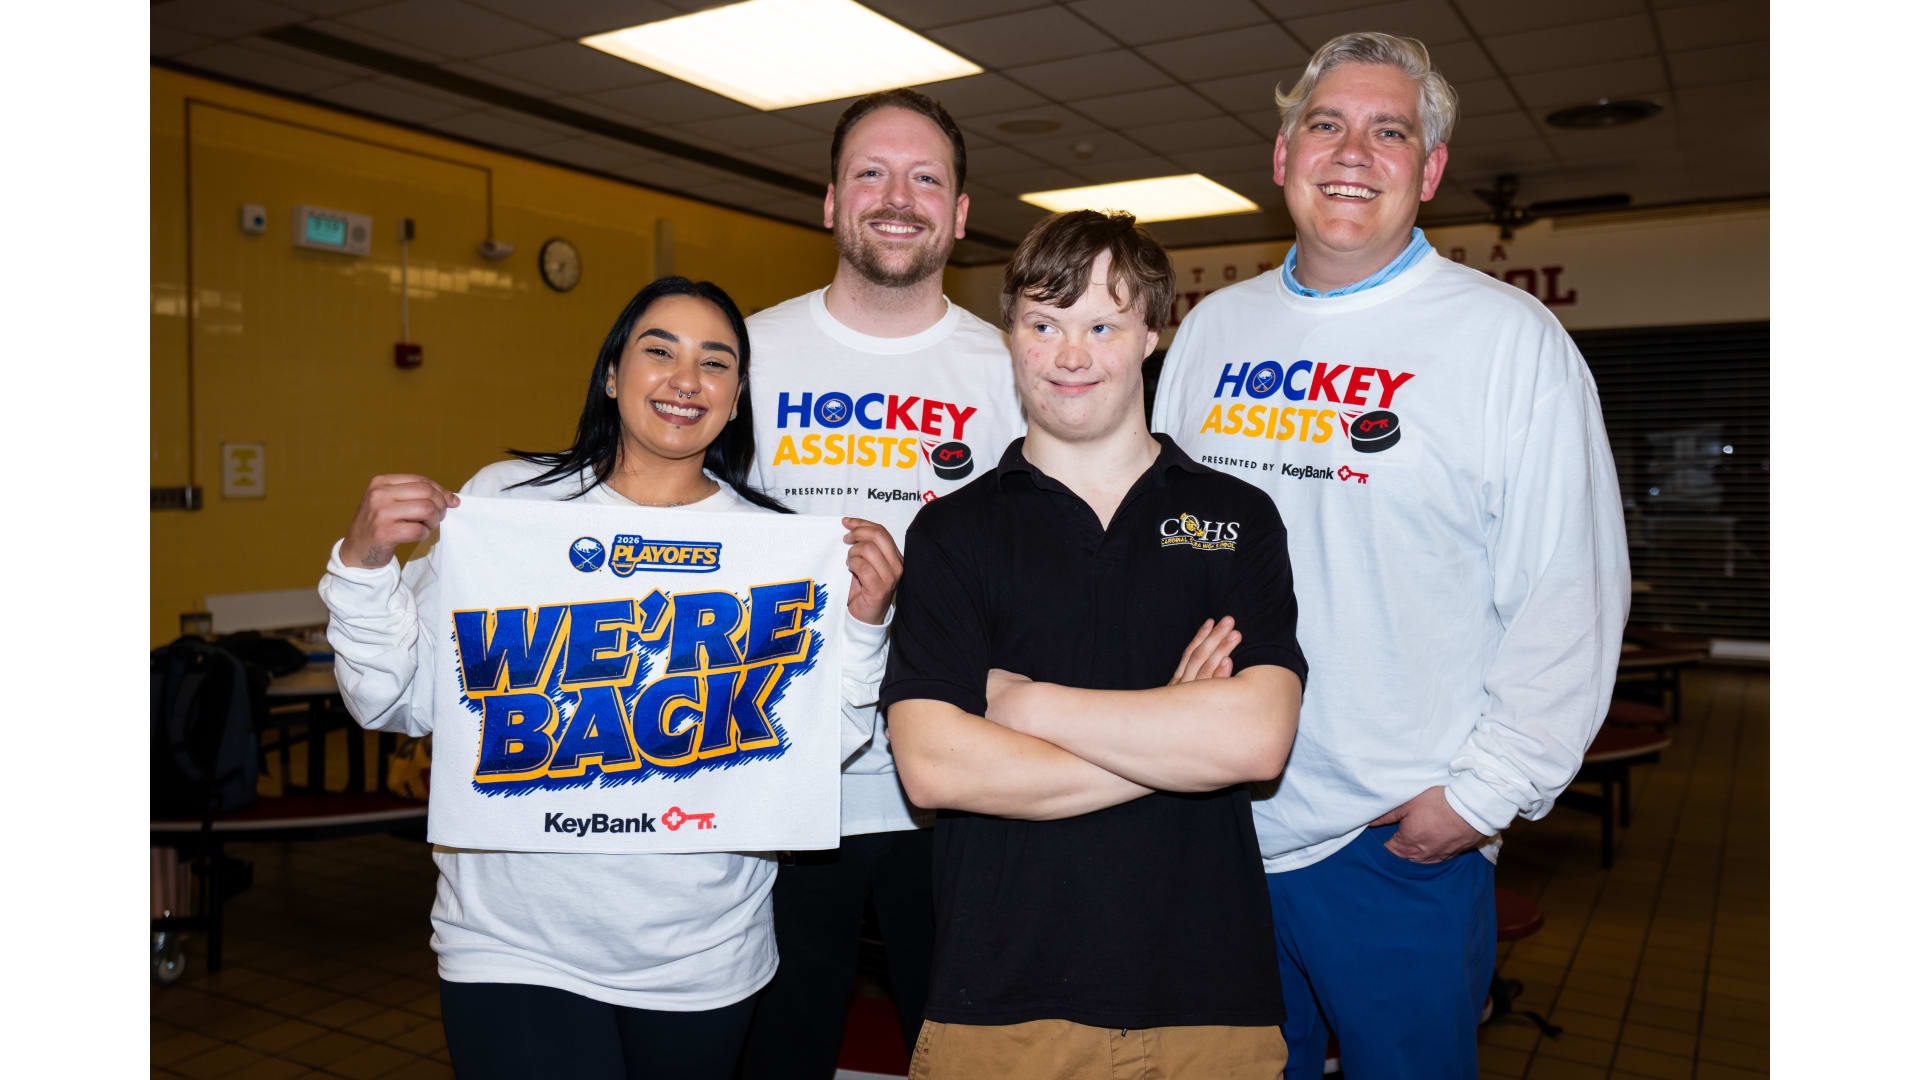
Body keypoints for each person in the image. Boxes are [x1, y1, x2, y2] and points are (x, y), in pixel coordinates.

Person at [1150, 32, 1632, 1080]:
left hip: (1390, 841)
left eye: (1389, 130)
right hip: (1213, 827)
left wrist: (1477, 799)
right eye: (1325, 124)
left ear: (1431, 169)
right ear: (1283, 157)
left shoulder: (1509, 343)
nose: (1352, 151)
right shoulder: (1211, 332)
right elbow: (1168, 544)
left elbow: (1572, 589)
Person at [317, 277, 901, 1080]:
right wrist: (363, 567)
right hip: (510, 945)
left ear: (736, 399)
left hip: (703, 952)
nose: (684, 378)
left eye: (715, 362)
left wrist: (865, 627)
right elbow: (391, 699)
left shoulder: (779, 548)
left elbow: (815, 750)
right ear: (612, 375)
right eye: (658, 350)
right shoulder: (504, 506)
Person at [879, 210, 1306, 1079]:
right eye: (1045, 324)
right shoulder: (951, 534)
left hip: (1210, 1001)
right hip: (999, 1007)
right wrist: (1179, 731)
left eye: (1102, 325)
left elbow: (1257, 743)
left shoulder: (1238, 518)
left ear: (1151, 332)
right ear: (1012, 338)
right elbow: (936, 768)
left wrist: (1023, 705)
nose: (1070, 356)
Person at [738, 89, 1024, 1076]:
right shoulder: (743, 356)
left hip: (950, 794)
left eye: (925, 178)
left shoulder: (1015, 373)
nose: (898, 197)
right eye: (872, 172)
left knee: (961, 1050)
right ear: (829, 202)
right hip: (773, 782)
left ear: (959, 211)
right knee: (776, 1051)